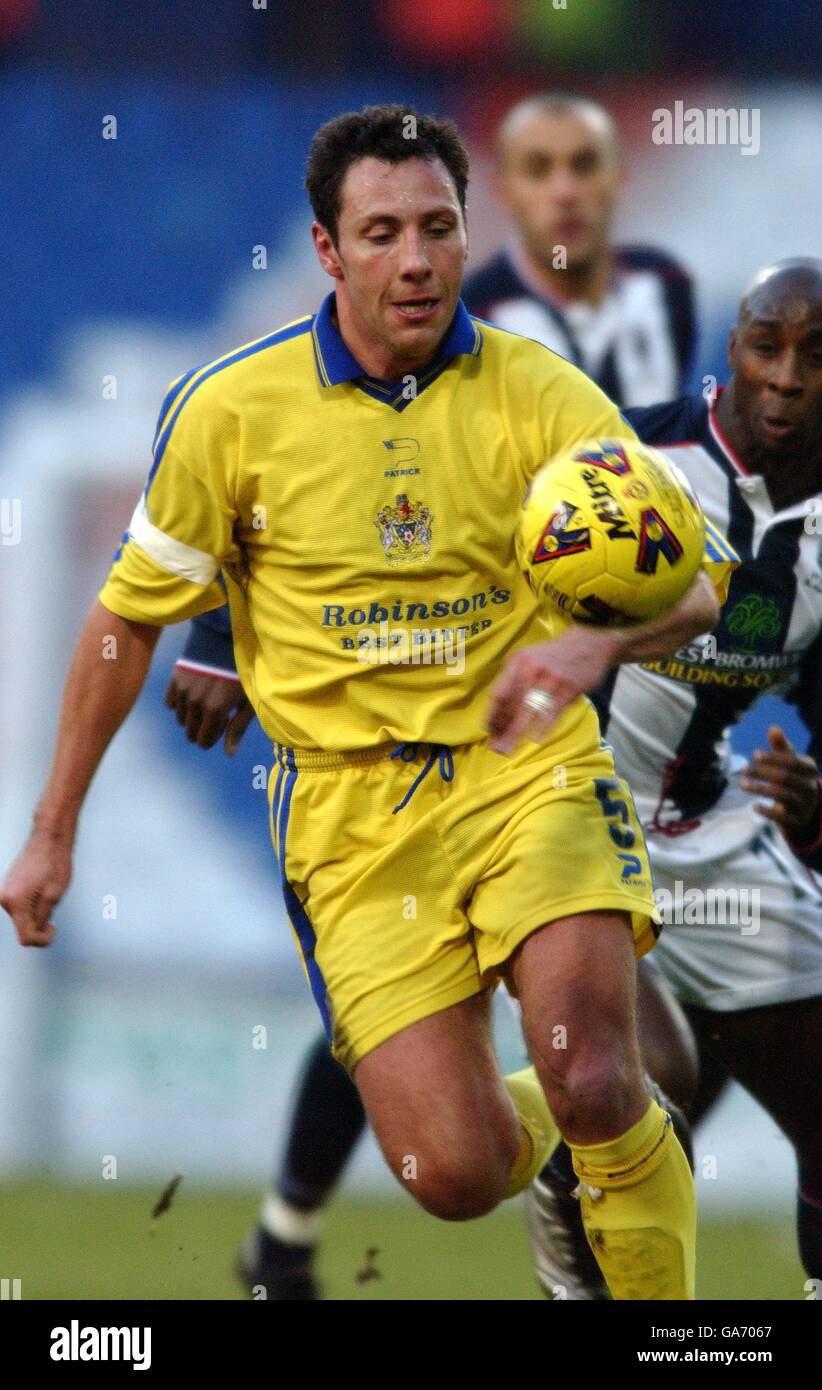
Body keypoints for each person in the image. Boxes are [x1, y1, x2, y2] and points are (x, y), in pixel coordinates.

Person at [2, 105, 727, 1303]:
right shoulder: (231, 409)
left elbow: (695, 586)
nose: (417, 260)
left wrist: (594, 651)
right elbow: (128, 617)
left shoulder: (546, 397)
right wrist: (51, 831)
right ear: (328, 252)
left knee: (597, 1075)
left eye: (439, 228)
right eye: (382, 232)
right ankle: (583, 1150)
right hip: (348, 817)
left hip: (526, 770)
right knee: (450, 1169)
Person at [527, 258, 822, 1298]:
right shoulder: (626, 454)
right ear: (731, 349)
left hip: (702, 829)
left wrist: (819, 807)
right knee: (656, 1081)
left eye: (816, 356)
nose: (786, 378)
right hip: (559, 814)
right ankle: (580, 1263)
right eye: (765, 344)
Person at [462, 92, 695, 407]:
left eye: (585, 166)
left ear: (619, 178)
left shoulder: (666, 282)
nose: (565, 192)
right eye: (538, 170)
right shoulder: (471, 319)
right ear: (503, 192)